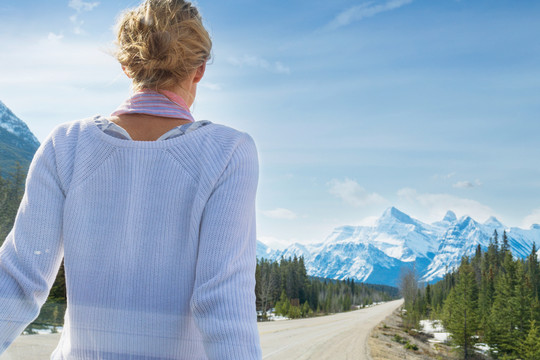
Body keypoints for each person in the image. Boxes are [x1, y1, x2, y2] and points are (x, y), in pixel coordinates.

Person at [0, 0, 262, 358]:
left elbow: (17, 280)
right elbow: (223, 299)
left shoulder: (66, 144)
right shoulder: (228, 152)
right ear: (199, 69)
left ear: (125, 65)